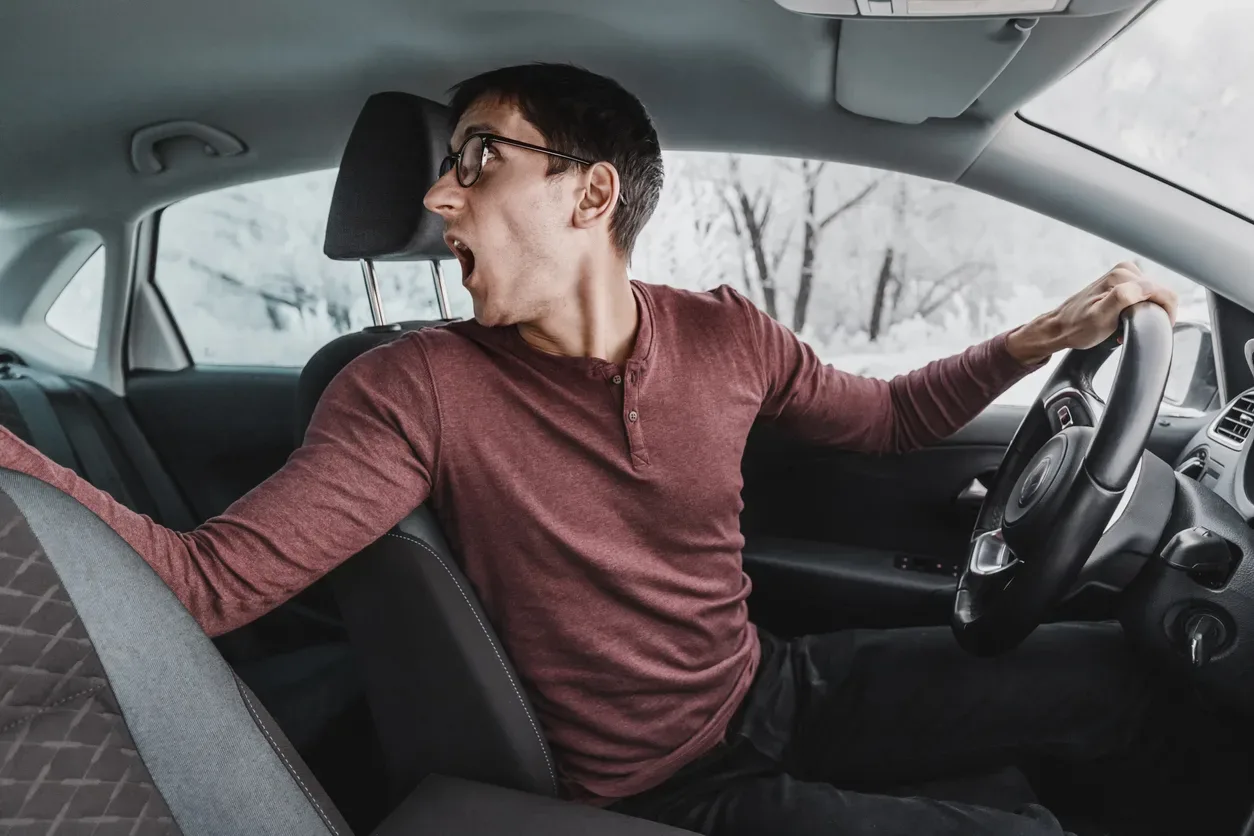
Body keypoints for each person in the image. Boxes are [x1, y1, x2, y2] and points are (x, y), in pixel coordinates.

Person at [0, 63, 1180, 835]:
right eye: (443, 170)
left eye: (477, 161)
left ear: (590, 193)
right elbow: (206, 583)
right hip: (664, 790)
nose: (442, 199)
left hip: (765, 685)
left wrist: (1040, 336)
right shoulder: (410, 388)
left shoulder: (727, 334)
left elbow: (886, 421)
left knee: (1119, 673)